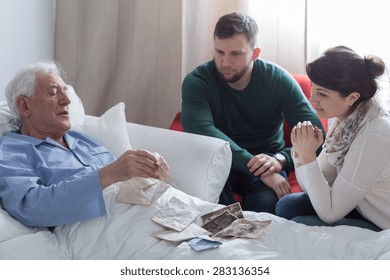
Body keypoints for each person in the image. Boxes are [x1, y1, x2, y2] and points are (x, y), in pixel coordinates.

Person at [181, 12, 324, 213]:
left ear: (255, 54)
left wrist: (280, 160)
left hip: (267, 159)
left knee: (266, 203)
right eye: (219, 52)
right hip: (216, 159)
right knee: (209, 206)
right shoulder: (197, 81)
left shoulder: (278, 80)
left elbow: (317, 134)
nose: (224, 62)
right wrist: (254, 166)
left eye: (235, 54)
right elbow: (201, 131)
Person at [0, 61, 169, 228]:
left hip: (165, 212)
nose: (66, 100)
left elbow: (121, 180)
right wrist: (108, 175)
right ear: (24, 106)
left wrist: (145, 170)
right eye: (53, 92)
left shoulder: (82, 139)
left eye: (65, 91)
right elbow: (31, 208)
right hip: (115, 225)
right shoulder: (12, 152)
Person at [275, 46, 390, 231]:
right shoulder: (346, 119)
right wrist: (302, 152)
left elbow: (329, 213)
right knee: (287, 205)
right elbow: (312, 186)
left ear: (352, 97)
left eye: (322, 93)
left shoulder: (374, 136)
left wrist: (308, 158)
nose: (312, 99)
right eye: (313, 88)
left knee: (298, 224)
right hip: (361, 207)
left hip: (382, 222)